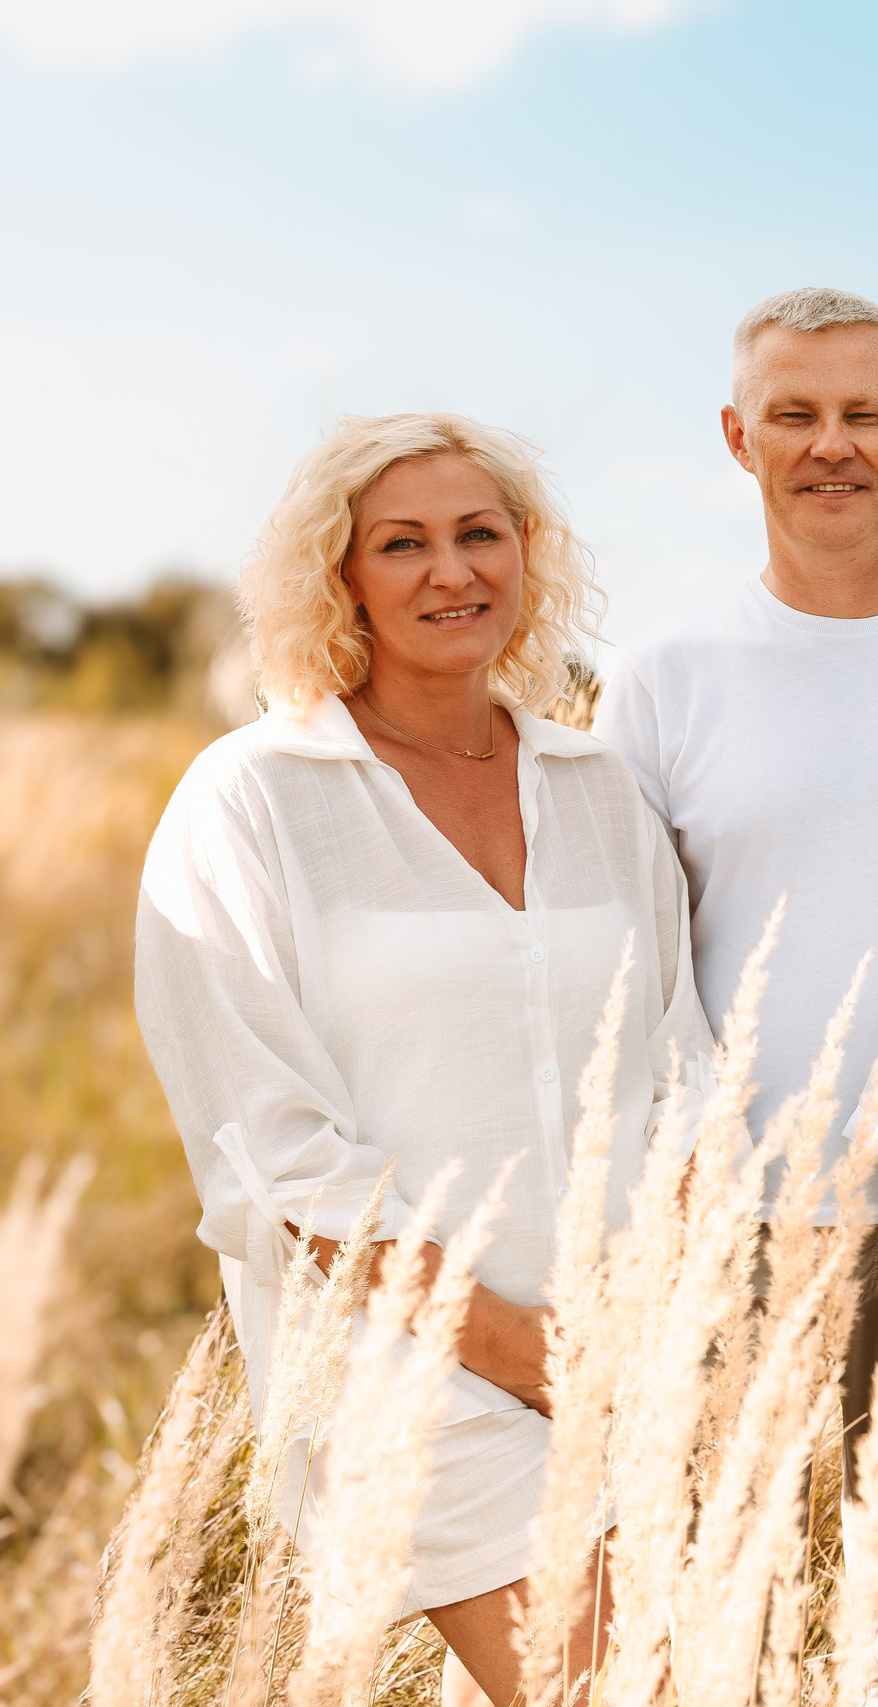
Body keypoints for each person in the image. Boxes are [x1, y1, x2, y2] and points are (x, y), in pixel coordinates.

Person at [136, 413, 714, 1704]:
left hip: (624, 1357)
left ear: (528, 555)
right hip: (416, 1373)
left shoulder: (599, 787)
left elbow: (683, 1062)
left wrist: (648, 1328)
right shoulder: (254, 799)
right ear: (339, 576)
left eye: (479, 534)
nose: (450, 571)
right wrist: (518, 1347)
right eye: (402, 543)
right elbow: (276, 1147)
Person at [596, 288, 878, 1462]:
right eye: (793, 415)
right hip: (733, 1227)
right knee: (748, 1615)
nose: (831, 446)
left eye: (863, 415)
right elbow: (630, 970)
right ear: (738, 439)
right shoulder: (661, 679)